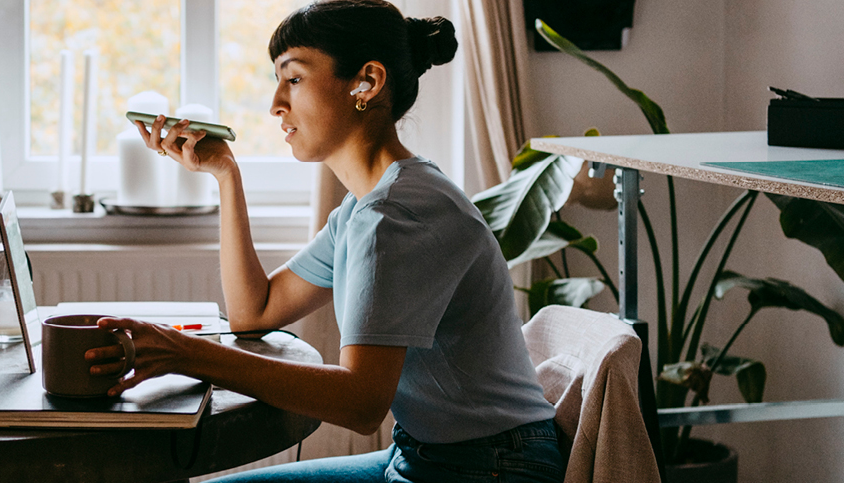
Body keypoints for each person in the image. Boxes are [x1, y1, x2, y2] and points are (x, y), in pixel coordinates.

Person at [86, 1, 564, 481]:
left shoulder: (398, 214)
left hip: (490, 467)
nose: (275, 102)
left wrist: (184, 354)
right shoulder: (365, 208)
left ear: (366, 83)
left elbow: (360, 403)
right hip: (428, 453)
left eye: (293, 79)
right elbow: (253, 311)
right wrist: (225, 175)